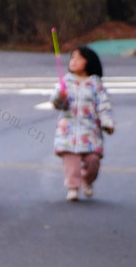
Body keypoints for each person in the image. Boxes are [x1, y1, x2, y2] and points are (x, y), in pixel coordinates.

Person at [51, 45, 115, 201]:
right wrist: (61, 97)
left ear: (89, 62)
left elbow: (103, 105)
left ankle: (87, 180)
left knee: (93, 161)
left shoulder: (95, 84)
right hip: (69, 131)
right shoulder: (65, 82)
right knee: (71, 161)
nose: (74, 61)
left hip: (90, 131)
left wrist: (107, 122)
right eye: (72, 57)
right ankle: (72, 187)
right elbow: (57, 104)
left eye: (79, 58)